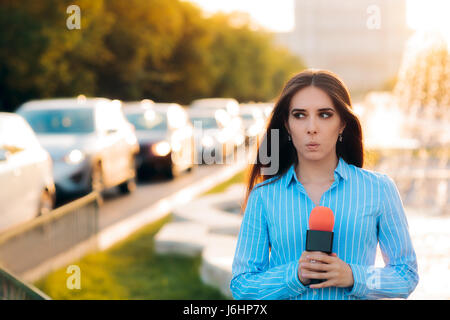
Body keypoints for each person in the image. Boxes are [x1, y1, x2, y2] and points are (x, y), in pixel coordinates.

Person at [230, 69, 419, 300]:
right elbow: (242, 285)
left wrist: (353, 276)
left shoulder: (379, 189)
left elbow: (405, 275)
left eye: (325, 114)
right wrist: (294, 275)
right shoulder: (264, 197)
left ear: (342, 124)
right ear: (287, 126)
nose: (312, 128)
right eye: (299, 115)